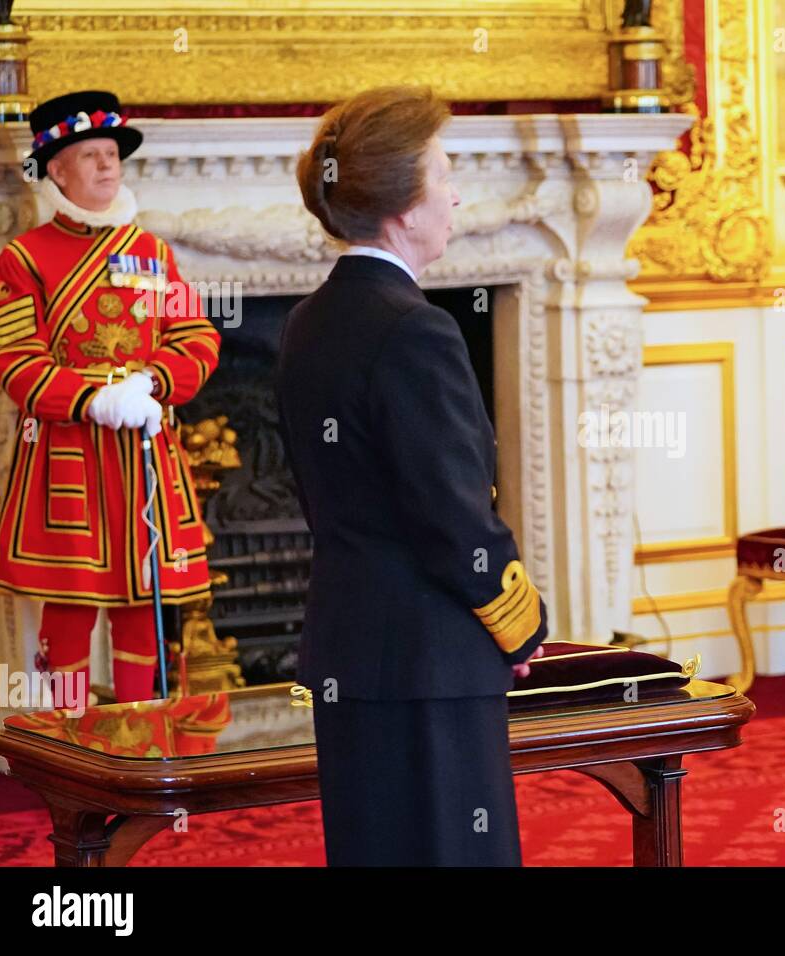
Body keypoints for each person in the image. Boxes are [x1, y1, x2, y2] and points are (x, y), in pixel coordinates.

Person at [277, 85, 547, 866]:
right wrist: (519, 621)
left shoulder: (308, 320)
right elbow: (450, 514)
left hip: (350, 648)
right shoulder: (415, 329)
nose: (457, 190)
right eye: (444, 171)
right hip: (432, 660)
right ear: (402, 206)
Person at [0, 90, 219, 709]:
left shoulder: (154, 253)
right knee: (71, 606)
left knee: (145, 603)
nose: (108, 167)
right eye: (91, 156)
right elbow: (12, 358)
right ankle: (73, 753)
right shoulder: (23, 258)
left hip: (143, 452)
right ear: (57, 169)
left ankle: (140, 748)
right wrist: (92, 399)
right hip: (68, 452)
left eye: (112, 154)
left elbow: (196, 336)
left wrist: (155, 382)